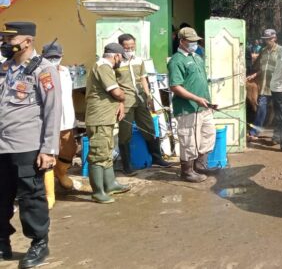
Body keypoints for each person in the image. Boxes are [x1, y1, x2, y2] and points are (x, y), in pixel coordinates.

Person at [0, 22, 62, 267]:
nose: (5, 43)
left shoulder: (43, 70)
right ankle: (2, 240)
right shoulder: (4, 68)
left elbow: (52, 111)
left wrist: (48, 149)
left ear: (26, 42)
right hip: (1, 145)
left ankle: (38, 243)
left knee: (30, 198)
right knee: (1, 196)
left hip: (26, 146)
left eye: (9, 39)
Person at [168, 27, 219, 183]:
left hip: (204, 107)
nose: (194, 44)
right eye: (191, 42)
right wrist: (196, 99)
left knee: (207, 136)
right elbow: (175, 86)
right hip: (187, 108)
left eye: (196, 41)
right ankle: (187, 171)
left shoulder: (197, 57)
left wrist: (208, 102)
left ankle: (200, 166)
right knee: (189, 140)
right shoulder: (176, 60)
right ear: (182, 41)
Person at [116, 33, 171, 175]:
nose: (129, 50)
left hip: (140, 99)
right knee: (125, 134)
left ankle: (157, 158)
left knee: (149, 127)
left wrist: (148, 96)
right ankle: (127, 165)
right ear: (120, 47)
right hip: (125, 101)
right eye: (126, 47)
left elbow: (143, 79)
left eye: (132, 46)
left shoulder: (139, 60)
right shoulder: (116, 63)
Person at [84, 43, 131, 205]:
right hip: (100, 118)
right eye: (120, 58)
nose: (120, 61)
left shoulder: (104, 67)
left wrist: (120, 103)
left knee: (106, 151)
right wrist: (123, 97)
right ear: (116, 56)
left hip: (106, 118)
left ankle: (110, 184)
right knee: (98, 154)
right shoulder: (103, 67)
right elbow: (116, 91)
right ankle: (98, 191)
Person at [41, 42, 78, 208]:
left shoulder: (65, 72)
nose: (54, 60)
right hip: (47, 120)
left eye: (56, 57)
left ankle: (61, 174)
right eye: (50, 58)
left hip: (67, 118)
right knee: (49, 151)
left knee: (69, 148)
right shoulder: (39, 71)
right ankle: (49, 193)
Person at [246, 28, 280, 140]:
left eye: (269, 39)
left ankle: (281, 133)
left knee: (279, 111)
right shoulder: (264, 51)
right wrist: (254, 75)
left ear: (274, 38)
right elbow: (262, 69)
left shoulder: (281, 51)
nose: (267, 41)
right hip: (264, 86)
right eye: (265, 39)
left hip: (277, 87)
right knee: (261, 109)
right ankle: (255, 131)